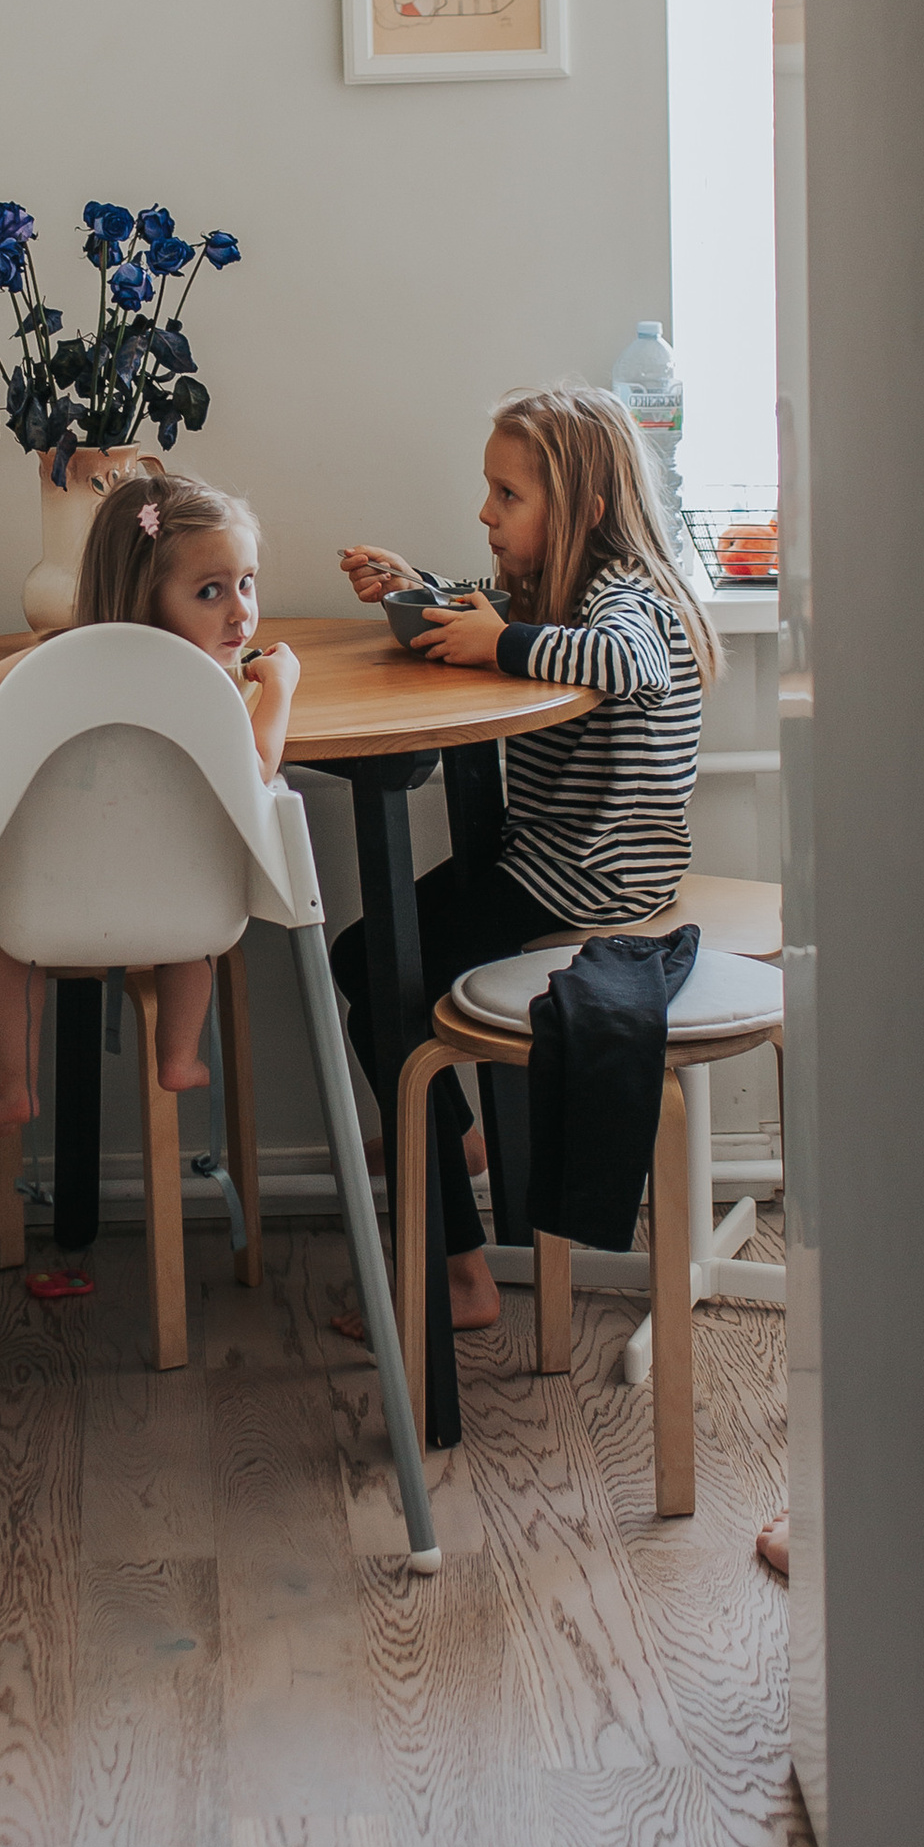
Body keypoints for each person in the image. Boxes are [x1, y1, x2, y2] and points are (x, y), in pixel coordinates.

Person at [334, 385, 718, 1328]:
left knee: (371, 965)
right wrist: (416, 590)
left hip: (589, 877)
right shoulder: (559, 592)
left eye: (508, 496)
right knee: (372, 963)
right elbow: (502, 615)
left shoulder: (629, 596)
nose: (487, 513)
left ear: (583, 509)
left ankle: (459, 1267)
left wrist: (499, 638)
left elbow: (628, 661)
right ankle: (450, 1141)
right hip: (557, 860)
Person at [0, 470, 299, 1142]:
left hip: (48, 905)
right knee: (198, 944)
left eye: (247, 583)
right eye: (211, 591)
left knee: (1, 949)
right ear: (147, 591)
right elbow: (260, 766)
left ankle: (15, 1086)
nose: (240, 611)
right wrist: (281, 688)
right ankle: (178, 1057)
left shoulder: (54, 657)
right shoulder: (208, 687)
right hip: (181, 905)